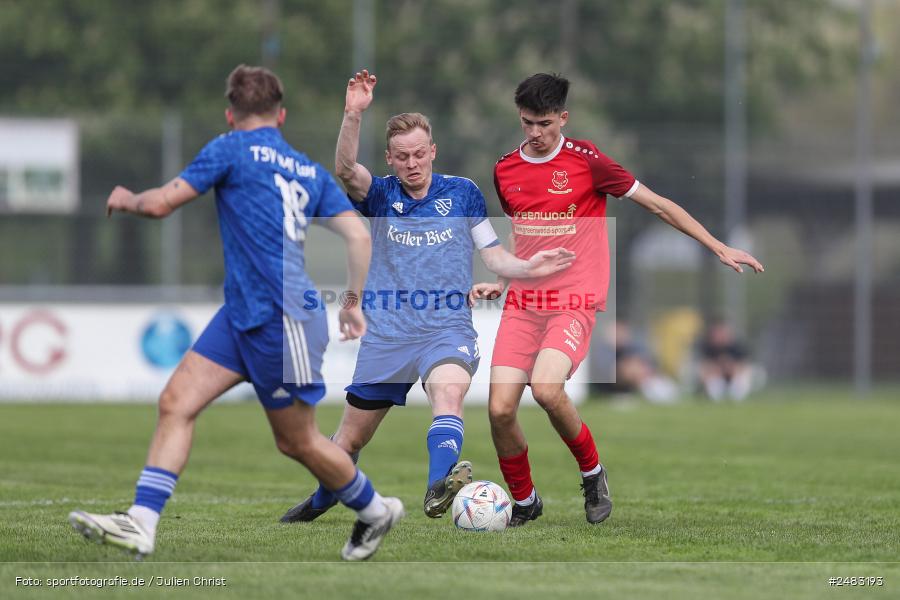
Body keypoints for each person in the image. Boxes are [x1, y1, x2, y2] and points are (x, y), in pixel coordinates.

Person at [68, 65, 403, 562]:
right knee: (176, 402)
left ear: (230, 114)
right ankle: (141, 522)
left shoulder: (229, 148)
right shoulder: (305, 168)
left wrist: (128, 199)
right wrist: (352, 302)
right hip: (243, 313)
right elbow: (357, 234)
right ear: (281, 116)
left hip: (283, 318)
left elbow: (160, 205)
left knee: (298, 442)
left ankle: (375, 510)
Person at [281, 70, 575, 523]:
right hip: (388, 335)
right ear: (390, 159)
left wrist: (529, 267)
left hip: (445, 329)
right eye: (402, 157)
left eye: (419, 154)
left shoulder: (463, 194)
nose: (412, 163)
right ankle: (321, 499)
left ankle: (438, 487)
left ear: (433, 151)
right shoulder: (380, 195)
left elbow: (494, 255)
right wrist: (353, 114)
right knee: (348, 442)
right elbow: (345, 170)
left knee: (448, 392)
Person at [470, 73, 764, 527]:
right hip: (523, 304)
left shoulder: (588, 162)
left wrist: (717, 246)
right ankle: (525, 502)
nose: (535, 132)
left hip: (573, 300)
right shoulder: (505, 168)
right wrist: (502, 279)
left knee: (546, 389)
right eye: (528, 123)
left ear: (563, 118)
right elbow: (522, 235)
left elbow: (659, 205)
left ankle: (592, 473)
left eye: (545, 123)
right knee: (499, 409)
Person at [697, 320, 756, 401]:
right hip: (717, 377)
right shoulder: (708, 348)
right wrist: (717, 369)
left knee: (742, 379)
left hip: (734, 377)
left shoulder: (737, 347)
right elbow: (704, 368)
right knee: (712, 382)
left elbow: (745, 366)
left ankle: (737, 398)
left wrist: (731, 368)